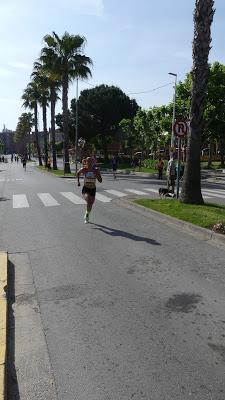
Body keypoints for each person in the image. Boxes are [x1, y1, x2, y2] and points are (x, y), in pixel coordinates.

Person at [77, 157, 102, 224]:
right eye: (88, 161)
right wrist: (78, 182)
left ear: (93, 162)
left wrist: (97, 174)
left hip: (93, 189)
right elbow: (77, 173)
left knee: (91, 204)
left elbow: (100, 181)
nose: (90, 163)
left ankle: (87, 214)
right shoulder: (84, 169)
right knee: (88, 200)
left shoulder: (96, 170)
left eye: (91, 161)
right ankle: (87, 216)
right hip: (86, 188)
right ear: (86, 162)